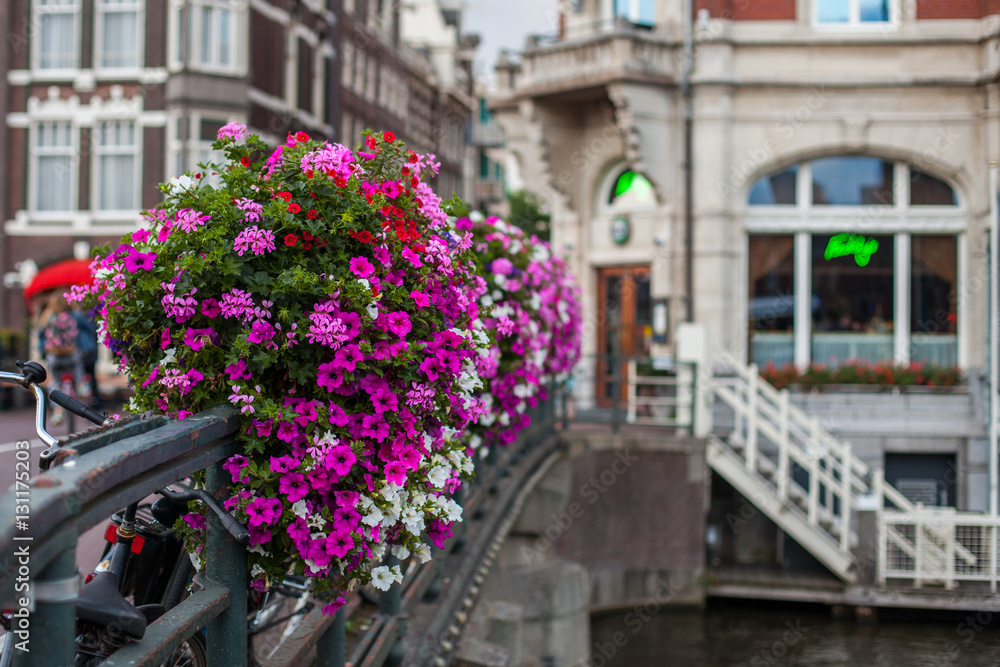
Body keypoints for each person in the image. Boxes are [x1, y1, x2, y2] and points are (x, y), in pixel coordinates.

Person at [38, 292, 85, 423]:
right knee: (78, 369)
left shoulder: (47, 316)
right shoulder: (75, 315)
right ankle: (81, 386)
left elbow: (41, 335)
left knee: (55, 382)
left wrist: (43, 351)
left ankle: (58, 412)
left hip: (55, 355)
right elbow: (86, 329)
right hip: (71, 354)